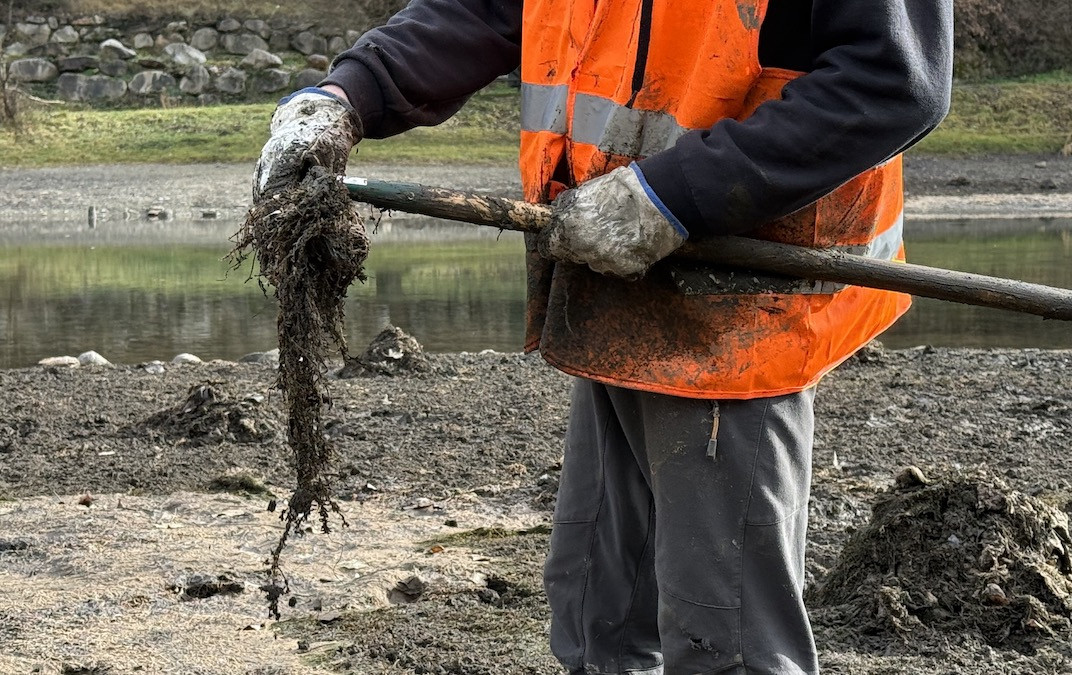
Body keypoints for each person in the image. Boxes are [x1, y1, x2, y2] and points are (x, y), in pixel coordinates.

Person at [253, 0, 953, 672]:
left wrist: (675, 194)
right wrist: (349, 95)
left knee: (726, 638)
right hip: (609, 268)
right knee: (598, 614)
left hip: (734, 304)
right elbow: (490, 7)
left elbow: (893, 78)